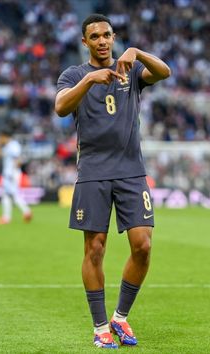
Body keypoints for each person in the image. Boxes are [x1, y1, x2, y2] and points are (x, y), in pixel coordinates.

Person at [55, 13, 171, 349]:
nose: (103, 41)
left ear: (113, 36)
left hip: (132, 170)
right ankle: (100, 326)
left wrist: (137, 51)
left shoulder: (131, 70)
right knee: (95, 249)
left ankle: (120, 318)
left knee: (144, 246)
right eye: (95, 37)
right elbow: (61, 107)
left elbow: (164, 72)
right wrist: (90, 81)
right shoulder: (73, 75)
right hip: (93, 172)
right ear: (85, 42)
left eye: (107, 35)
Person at [0, 127, 32, 225]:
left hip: (11, 174)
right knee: (8, 195)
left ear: (4, 136)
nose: (0, 138)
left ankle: (25, 212)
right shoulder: (7, 146)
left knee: (12, 195)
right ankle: (10, 217)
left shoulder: (13, 145)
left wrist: (13, 172)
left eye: (0, 137)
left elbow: (18, 159)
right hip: (9, 173)